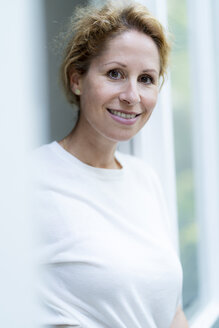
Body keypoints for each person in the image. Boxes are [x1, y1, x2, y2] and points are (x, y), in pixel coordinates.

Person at [32, 1, 189, 327]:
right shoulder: (28, 179)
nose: (132, 95)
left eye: (146, 79)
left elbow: (173, 312)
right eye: (115, 74)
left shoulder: (145, 179)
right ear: (77, 80)